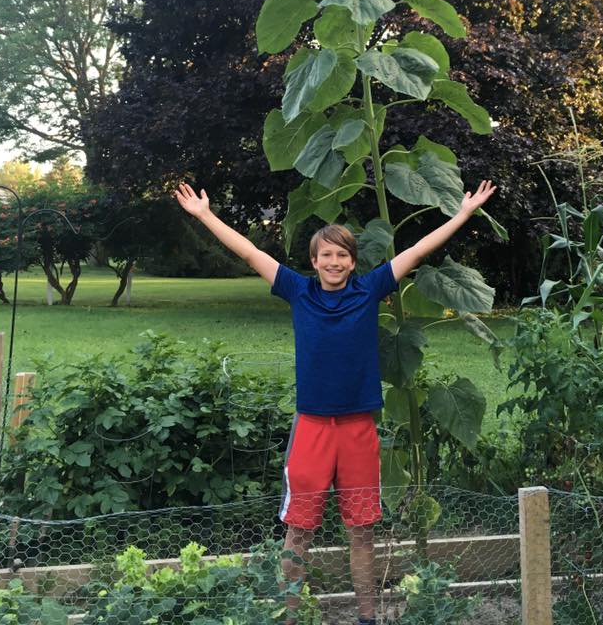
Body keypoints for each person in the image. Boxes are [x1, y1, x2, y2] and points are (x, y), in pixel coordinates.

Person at [175, 179, 496, 625]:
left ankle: (367, 618)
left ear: (352, 262)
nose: (334, 261)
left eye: (342, 255)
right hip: (311, 429)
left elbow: (417, 251)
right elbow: (250, 253)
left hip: (358, 429)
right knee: (298, 531)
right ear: (314, 261)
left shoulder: (369, 289)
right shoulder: (297, 290)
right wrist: (205, 215)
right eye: (326, 255)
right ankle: (289, 617)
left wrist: (462, 214)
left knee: (361, 532)